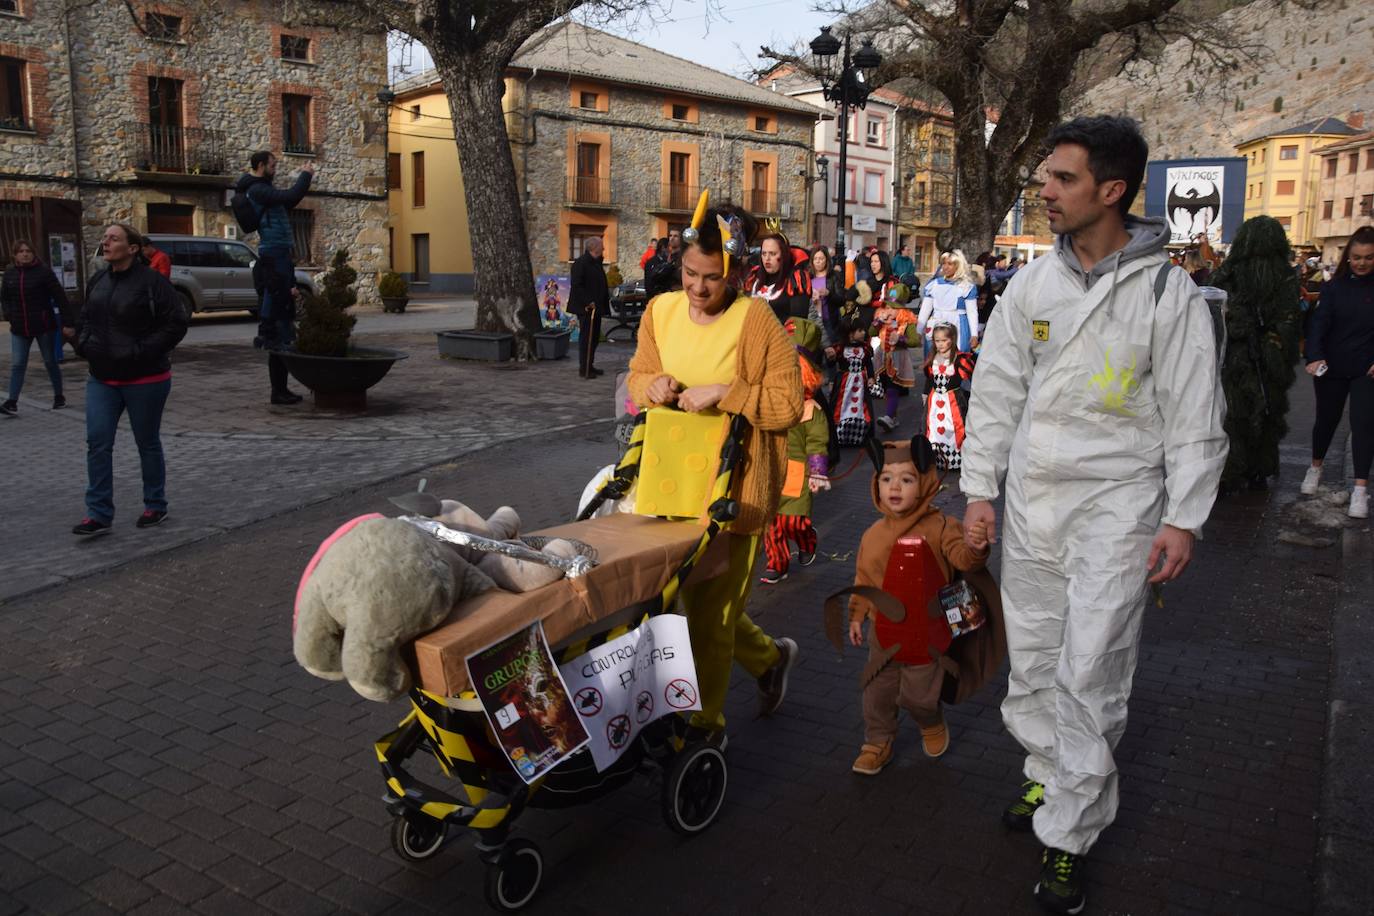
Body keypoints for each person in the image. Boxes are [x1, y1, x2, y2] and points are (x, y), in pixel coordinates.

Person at [960, 115, 1226, 915]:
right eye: (1044, 176)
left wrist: (1184, 517)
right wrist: (981, 488)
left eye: (1061, 179)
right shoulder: (1034, 285)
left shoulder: (1163, 292)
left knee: (1091, 671)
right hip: (1036, 508)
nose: (1042, 190)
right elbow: (997, 388)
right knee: (1037, 662)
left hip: (1118, 512)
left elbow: (1194, 411)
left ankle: (1070, 835)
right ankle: (1048, 781)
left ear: (1111, 191)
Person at [625, 198, 801, 742]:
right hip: (666, 482)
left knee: (711, 614)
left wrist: (730, 393)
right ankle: (770, 661)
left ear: (737, 272)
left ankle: (705, 726)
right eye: (689, 275)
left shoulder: (757, 321)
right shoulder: (659, 312)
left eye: (712, 278)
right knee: (675, 601)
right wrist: (648, 386)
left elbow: (789, 404)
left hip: (735, 491)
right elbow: (638, 375)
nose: (699, 289)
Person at [848, 437, 990, 774]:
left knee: (919, 696)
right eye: (886, 479)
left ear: (924, 483)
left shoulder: (941, 526)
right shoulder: (873, 535)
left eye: (907, 479)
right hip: (884, 633)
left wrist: (975, 546)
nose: (894, 487)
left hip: (927, 634)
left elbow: (964, 559)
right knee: (877, 694)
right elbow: (865, 578)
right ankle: (877, 741)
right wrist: (857, 615)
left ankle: (930, 719)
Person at [67, 224, 188, 536]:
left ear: (133, 248)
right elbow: (84, 319)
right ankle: (98, 513)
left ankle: (155, 504)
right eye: (105, 237)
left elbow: (175, 324)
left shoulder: (152, 283)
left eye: (113, 238)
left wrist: (140, 351)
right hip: (102, 379)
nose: (105, 242)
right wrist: (84, 345)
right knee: (97, 442)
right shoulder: (98, 280)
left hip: (146, 378)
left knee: (146, 442)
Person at [1211, 216, 1302, 493]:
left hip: (1258, 357)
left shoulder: (1279, 275)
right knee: (1240, 416)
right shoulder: (1234, 272)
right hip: (1239, 356)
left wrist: (1272, 341)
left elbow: (1288, 317)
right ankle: (1244, 470)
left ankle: (1251, 469)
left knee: (1254, 415)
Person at [1301, 224, 1374, 518]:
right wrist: (1314, 356)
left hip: (1366, 370)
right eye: (1357, 257)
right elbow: (1319, 325)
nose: (1362, 262)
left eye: (1369, 257)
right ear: (1348, 257)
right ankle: (1314, 469)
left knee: (1364, 425)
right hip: (1331, 366)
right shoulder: (1333, 288)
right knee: (1326, 421)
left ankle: (1360, 491)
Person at [235, 151, 313, 404]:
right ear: (260, 166)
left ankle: (280, 389)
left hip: (279, 256)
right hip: (274, 254)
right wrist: (306, 174)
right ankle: (278, 391)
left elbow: (287, 202)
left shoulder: (264, 190)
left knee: (282, 328)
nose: (275, 167)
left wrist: (290, 284)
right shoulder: (258, 190)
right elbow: (291, 196)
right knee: (280, 329)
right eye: (273, 164)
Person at [760, 317, 831, 584]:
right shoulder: (768, 403)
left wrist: (817, 472)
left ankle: (806, 539)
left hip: (797, 473)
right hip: (770, 470)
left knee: (793, 522)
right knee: (773, 523)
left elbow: (816, 441)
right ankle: (777, 563)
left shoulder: (811, 410)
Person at [2, 239, 70, 414]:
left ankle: (59, 396)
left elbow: (60, 297)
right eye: (21, 251)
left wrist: (68, 322)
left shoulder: (43, 273)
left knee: (50, 361)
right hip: (19, 327)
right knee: (17, 364)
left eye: (28, 251)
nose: (25, 254)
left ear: (33, 253)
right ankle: (12, 401)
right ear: (15, 254)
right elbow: (5, 298)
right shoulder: (10, 274)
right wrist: (9, 315)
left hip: (43, 325)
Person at [923, 323, 976, 471]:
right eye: (937, 340)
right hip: (935, 400)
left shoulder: (959, 359)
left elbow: (972, 375)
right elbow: (929, 379)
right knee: (934, 427)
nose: (939, 344)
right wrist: (925, 394)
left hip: (953, 401)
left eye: (943, 340)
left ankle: (956, 461)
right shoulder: (933, 357)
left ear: (952, 339)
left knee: (954, 427)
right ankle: (938, 459)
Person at [871, 283, 919, 430]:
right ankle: (893, 416)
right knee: (886, 389)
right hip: (882, 357)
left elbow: (915, 341)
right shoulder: (881, 317)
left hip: (898, 359)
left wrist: (901, 340)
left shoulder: (908, 320)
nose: (890, 310)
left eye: (894, 307)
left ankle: (889, 417)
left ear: (902, 309)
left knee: (893, 389)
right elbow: (870, 333)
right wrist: (877, 322)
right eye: (888, 306)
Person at [831, 315, 883, 446]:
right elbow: (832, 363)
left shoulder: (864, 349)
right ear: (850, 333)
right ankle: (839, 432)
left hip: (860, 382)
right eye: (860, 330)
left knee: (861, 405)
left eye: (863, 330)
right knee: (841, 406)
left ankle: (862, 433)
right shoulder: (840, 348)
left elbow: (868, 365)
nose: (863, 333)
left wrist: (871, 377)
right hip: (844, 383)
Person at [917, 248, 979, 353]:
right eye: (943, 263)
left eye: (950, 264)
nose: (945, 267)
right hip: (936, 323)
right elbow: (925, 310)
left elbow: (972, 312)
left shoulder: (966, 286)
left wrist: (974, 334)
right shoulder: (934, 285)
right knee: (933, 357)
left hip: (958, 324)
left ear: (958, 265)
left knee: (957, 358)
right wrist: (918, 330)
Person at [569, 237, 609, 379]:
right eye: (601, 246)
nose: (603, 249)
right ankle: (584, 368)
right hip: (586, 308)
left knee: (594, 338)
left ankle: (590, 365)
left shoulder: (596, 263)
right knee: (587, 338)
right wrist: (588, 302)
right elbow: (577, 286)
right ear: (594, 247)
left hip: (596, 307)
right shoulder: (581, 264)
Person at [747, 232, 810, 321]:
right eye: (764, 253)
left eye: (772, 254)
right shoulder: (754, 277)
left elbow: (799, 323)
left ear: (784, 254)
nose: (767, 258)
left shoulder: (795, 280)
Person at [644, 231, 681, 302]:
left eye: (675, 236)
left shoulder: (682, 258)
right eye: (670, 236)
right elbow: (650, 281)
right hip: (659, 298)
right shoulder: (655, 262)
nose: (672, 238)